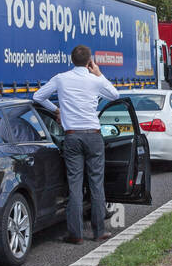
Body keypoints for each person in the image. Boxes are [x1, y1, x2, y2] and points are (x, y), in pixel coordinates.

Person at [33, 45, 119, 244]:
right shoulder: (95, 80)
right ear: (90, 61)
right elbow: (115, 95)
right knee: (96, 184)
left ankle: (76, 234)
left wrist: (56, 110)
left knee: (75, 185)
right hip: (94, 136)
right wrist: (99, 74)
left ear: (71, 60)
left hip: (71, 137)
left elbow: (37, 97)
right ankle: (99, 232)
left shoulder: (61, 78)